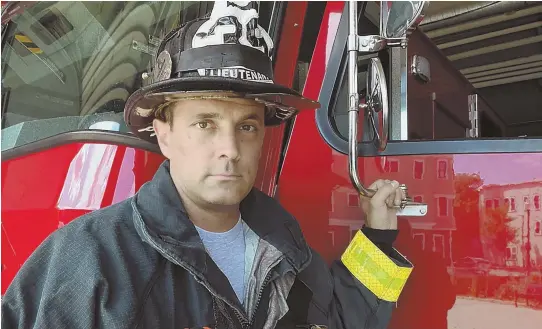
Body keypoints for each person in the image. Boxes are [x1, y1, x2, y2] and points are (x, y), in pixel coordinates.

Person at [1, 2, 413, 329]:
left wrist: (379, 234)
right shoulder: (91, 259)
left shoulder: (283, 241)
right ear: (163, 133)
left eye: (247, 127)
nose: (230, 149)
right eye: (205, 124)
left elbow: (339, 321)